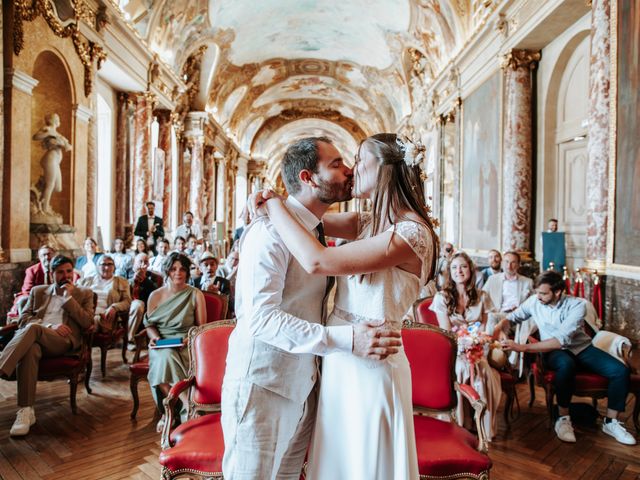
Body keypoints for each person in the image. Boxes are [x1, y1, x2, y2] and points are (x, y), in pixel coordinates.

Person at [226, 134, 438, 479]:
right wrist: (267, 200)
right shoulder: (366, 223)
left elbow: (317, 258)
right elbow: (309, 221)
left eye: (358, 160)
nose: (352, 169)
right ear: (308, 178)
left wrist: (274, 201)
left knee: (363, 464)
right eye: (340, 163)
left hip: (368, 363)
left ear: (385, 171)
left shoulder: (409, 233)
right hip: (311, 368)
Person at [496, 271, 635, 446]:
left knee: (620, 371)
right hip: (552, 353)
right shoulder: (534, 301)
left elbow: (561, 340)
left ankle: (611, 422)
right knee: (566, 364)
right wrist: (501, 328)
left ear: (558, 292)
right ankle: (563, 418)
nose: (538, 297)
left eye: (544, 293)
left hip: (581, 348)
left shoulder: (577, 305)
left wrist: (522, 347)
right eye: (537, 292)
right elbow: (510, 318)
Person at [0, 255, 93, 436]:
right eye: (60, 272)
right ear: (52, 274)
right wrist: (49, 326)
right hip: (39, 337)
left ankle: (2, 367)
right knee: (31, 348)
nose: (65, 275)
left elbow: (87, 323)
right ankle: (26, 411)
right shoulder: (38, 291)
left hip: (64, 342)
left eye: (69, 271)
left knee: (34, 328)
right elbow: (23, 320)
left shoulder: (84, 293)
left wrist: (68, 299)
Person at [429, 252, 502, 441]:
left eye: (463, 266)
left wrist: (477, 342)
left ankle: (482, 424)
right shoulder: (442, 298)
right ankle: (461, 424)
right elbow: (446, 333)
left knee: (483, 371)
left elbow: (487, 329)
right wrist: (463, 345)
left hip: (478, 349)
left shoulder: (482, 296)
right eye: (454, 268)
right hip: (454, 350)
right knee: (461, 368)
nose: (458, 271)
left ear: (470, 270)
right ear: (449, 273)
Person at [144, 252, 205, 429]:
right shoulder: (154, 296)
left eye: (182, 269)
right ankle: (186, 405)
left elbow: (201, 328)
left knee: (168, 358)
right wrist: (155, 339)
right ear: (167, 272)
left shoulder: (195, 294)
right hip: (161, 342)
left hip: (187, 343)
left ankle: (168, 413)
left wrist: (188, 339)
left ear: (187, 272)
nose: (178, 273)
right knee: (165, 355)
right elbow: (149, 325)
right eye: (173, 269)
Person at [31, 113, 72, 215]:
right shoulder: (47, 129)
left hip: (56, 160)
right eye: (57, 118)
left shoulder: (58, 134)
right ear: (51, 120)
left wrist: (61, 143)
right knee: (50, 184)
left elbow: (69, 147)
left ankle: (40, 199)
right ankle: (45, 209)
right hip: (50, 158)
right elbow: (35, 137)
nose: (59, 120)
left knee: (58, 187)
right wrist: (48, 134)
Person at [79, 255, 131, 333]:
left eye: (110, 264)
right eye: (103, 264)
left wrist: (114, 307)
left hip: (104, 316)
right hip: (86, 313)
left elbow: (127, 301)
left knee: (94, 321)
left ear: (114, 267)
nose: (106, 268)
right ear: (97, 266)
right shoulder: (87, 281)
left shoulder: (122, 282)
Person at [9, 245, 55, 317]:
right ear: (39, 257)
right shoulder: (32, 270)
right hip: (36, 298)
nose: (47, 257)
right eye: (43, 255)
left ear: (54, 256)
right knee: (24, 300)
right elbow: (27, 290)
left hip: (54, 298)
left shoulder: (58, 269)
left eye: (49, 254)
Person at [128, 253, 161, 342]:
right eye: (140, 261)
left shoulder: (153, 276)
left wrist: (145, 279)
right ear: (134, 263)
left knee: (138, 305)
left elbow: (156, 293)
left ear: (149, 264)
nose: (143, 264)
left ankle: (130, 339)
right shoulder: (127, 272)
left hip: (144, 305)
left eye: (146, 262)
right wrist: (133, 280)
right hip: (127, 301)